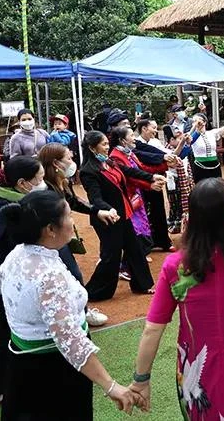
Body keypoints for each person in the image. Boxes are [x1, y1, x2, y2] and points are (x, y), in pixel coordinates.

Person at [129, 178, 224, 420]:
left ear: (192, 218)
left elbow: (153, 328)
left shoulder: (176, 267)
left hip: (194, 384)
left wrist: (141, 380)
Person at [0, 191, 138, 418]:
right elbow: (70, 342)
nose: (73, 222)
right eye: (68, 216)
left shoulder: (18, 254)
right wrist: (111, 386)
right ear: (50, 229)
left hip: (21, 366)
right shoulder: (49, 276)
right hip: (54, 371)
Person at [0, 156, 44, 407]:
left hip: (12, 279)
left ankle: (2, 384)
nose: (42, 183)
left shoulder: (14, 198)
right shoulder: (0, 209)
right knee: (7, 332)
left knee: (10, 331)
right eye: (39, 179)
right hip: (0, 282)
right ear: (22, 183)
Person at [39, 143, 116, 325]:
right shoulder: (44, 189)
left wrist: (96, 211)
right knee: (69, 276)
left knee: (72, 275)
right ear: (56, 163)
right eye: (69, 158)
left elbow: (73, 201)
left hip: (59, 240)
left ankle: (81, 312)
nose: (72, 162)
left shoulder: (60, 182)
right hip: (48, 243)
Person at [79, 131, 159, 301]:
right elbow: (95, 199)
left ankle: (142, 285)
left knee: (135, 250)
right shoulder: (88, 171)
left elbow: (130, 172)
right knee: (111, 256)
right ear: (93, 148)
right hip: (107, 218)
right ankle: (94, 292)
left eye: (108, 144)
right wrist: (108, 209)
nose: (108, 147)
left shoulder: (110, 162)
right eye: (104, 144)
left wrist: (152, 177)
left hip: (124, 214)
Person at [109, 126, 169, 264]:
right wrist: (150, 184)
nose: (134, 138)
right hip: (127, 197)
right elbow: (130, 177)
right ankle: (127, 264)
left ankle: (134, 260)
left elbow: (142, 169)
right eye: (131, 135)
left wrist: (164, 167)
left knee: (140, 227)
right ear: (123, 140)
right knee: (134, 230)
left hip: (136, 196)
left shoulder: (129, 153)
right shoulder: (116, 157)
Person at [136, 119, 179, 251]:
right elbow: (144, 158)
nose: (156, 130)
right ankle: (146, 243)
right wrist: (165, 161)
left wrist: (168, 158)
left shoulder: (154, 142)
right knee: (143, 213)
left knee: (159, 210)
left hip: (157, 181)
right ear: (144, 128)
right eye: (153, 128)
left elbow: (163, 154)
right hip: (141, 182)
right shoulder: (135, 144)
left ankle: (163, 241)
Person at [188, 111, 224, 184]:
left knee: (217, 187)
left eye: (199, 120)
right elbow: (188, 140)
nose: (197, 122)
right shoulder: (191, 136)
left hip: (214, 165)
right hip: (200, 166)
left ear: (205, 122)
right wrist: (195, 127)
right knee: (201, 189)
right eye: (194, 121)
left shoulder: (212, 133)